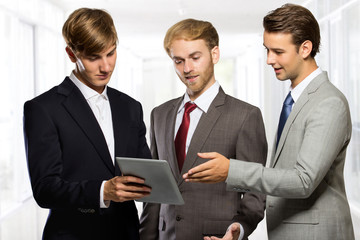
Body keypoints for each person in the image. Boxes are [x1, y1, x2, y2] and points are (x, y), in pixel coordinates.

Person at [183, 4, 355, 240]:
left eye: (278, 51)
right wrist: (239, 228)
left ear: (305, 48)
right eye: (267, 50)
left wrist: (231, 170)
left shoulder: (328, 103)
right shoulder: (295, 99)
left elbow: (303, 180)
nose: (268, 60)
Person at [23, 8, 152, 240]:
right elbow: (45, 189)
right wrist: (103, 191)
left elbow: (144, 170)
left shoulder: (131, 107)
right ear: (71, 54)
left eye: (111, 53)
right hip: (73, 234)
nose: (106, 67)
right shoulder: (43, 108)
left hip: (127, 233)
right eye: (93, 57)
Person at [139, 18, 267, 240]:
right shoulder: (159, 115)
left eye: (195, 58)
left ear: (215, 54)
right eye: (178, 61)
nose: (187, 69)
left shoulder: (245, 116)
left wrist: (239, 229)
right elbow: (155, 193)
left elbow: (256, 191)